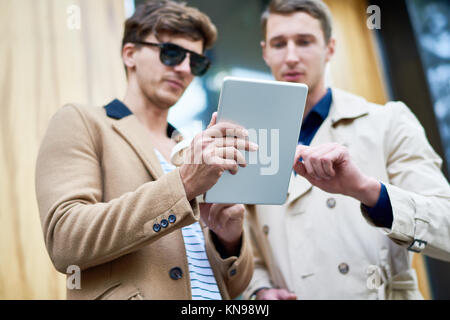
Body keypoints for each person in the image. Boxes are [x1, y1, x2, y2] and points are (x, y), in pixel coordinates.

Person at [35, 0, 256, 300]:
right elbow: (65, 243)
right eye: (172, 53)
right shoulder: (81, 121)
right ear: (130, 54)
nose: (184, 68)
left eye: (196, 62)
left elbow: (235, 286)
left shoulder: (191, 148)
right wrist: (184, 185)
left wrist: (228, 239)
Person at [243, 0, 450, 300]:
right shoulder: (252, 141)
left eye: (304, 42)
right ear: (265, 52)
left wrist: (367, 190)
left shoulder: (388, 122)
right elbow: (251, 246)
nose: (290, 56)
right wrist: (259, 289)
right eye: (279, 44)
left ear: (330, 48)